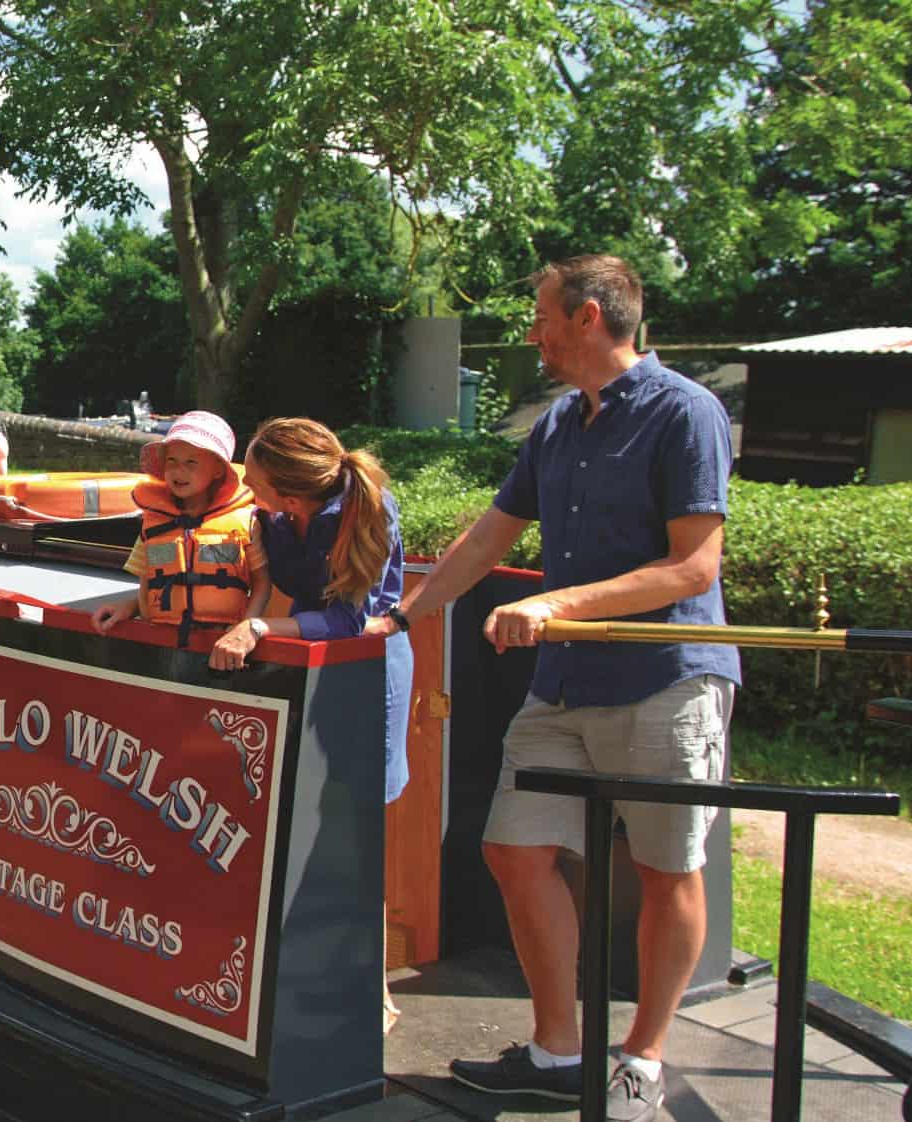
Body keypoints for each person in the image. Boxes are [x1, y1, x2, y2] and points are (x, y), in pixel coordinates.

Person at [366, 255, 739, 1122]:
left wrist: (557, 601)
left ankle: (642, 1057)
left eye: (541, 316)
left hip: (668, 682)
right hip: (565, 685)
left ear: (588, 317)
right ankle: (557, 1049)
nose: (531, 332)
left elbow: (694, 566)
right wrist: (403, 615)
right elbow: (488, 536)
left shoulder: (687, 412)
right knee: (512, 850)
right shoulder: (559, 425)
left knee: (664, 871)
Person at [211, 416, 412, 1033]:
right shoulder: (269, 513)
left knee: (354, 833)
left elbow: (352, 622)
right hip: (305, 663)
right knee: (306, 823)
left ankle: (371, 989)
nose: (245, 481)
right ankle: (310, 971)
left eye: (255, 474)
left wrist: (264, 628)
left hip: (365, 674)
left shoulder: (367, 510)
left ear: (290, 492)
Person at [90, 411, 266, 652]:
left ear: (217, 470)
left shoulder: (246, 523)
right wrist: (130, 607)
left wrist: (245, 628)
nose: (178, 471)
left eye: (191, 462)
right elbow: (147, 581)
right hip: (162, 644)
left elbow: (263, 583)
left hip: (222, 645)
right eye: (171, 461)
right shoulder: (152, 522)